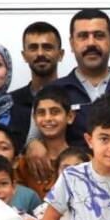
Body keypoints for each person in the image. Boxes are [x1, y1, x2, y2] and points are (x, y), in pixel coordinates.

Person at [49, 9, 110, 148]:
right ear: (72, 44)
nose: (91, 43)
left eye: (99, 36)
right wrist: (34, 143)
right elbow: (36, 137)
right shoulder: (52, 92)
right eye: (83, 36)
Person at [11, 21, 65, 156]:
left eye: (47, 47)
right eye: (33, 48)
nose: (40, 53)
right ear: (24, 55)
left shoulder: (73, 96)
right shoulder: (10, 103)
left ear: (61, 54)